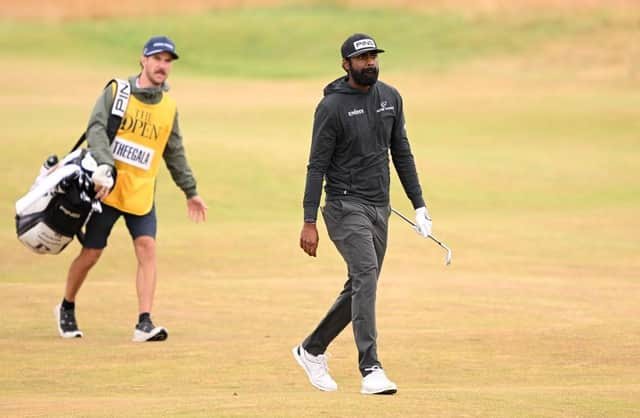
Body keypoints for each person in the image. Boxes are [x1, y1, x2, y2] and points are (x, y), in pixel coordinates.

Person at [292, 33, 433, 395]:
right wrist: (309, 220)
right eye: (362, 58)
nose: (370, 62)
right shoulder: (332, 107)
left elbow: (401, 152)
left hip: (379, 207)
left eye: (373, 56)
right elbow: (316, 165)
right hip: (343, 205)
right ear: (346, 64)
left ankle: (311, 349)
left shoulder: (390, 97)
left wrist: (420, 205)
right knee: (366, 275)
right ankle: (370, 368)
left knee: (361, 284)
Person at [54, 35, 208, 342]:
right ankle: (67, 306)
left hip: (141, 193)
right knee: (92, 253)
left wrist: (190, 191)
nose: (163, 66)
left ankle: (144, 322)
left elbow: (173, 151)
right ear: (143, 59)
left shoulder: (168, 107)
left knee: (147, 248)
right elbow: (95, 128)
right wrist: (104, 164)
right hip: (106, 191)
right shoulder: (117, 92)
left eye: (167, 61)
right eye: (157, 59)